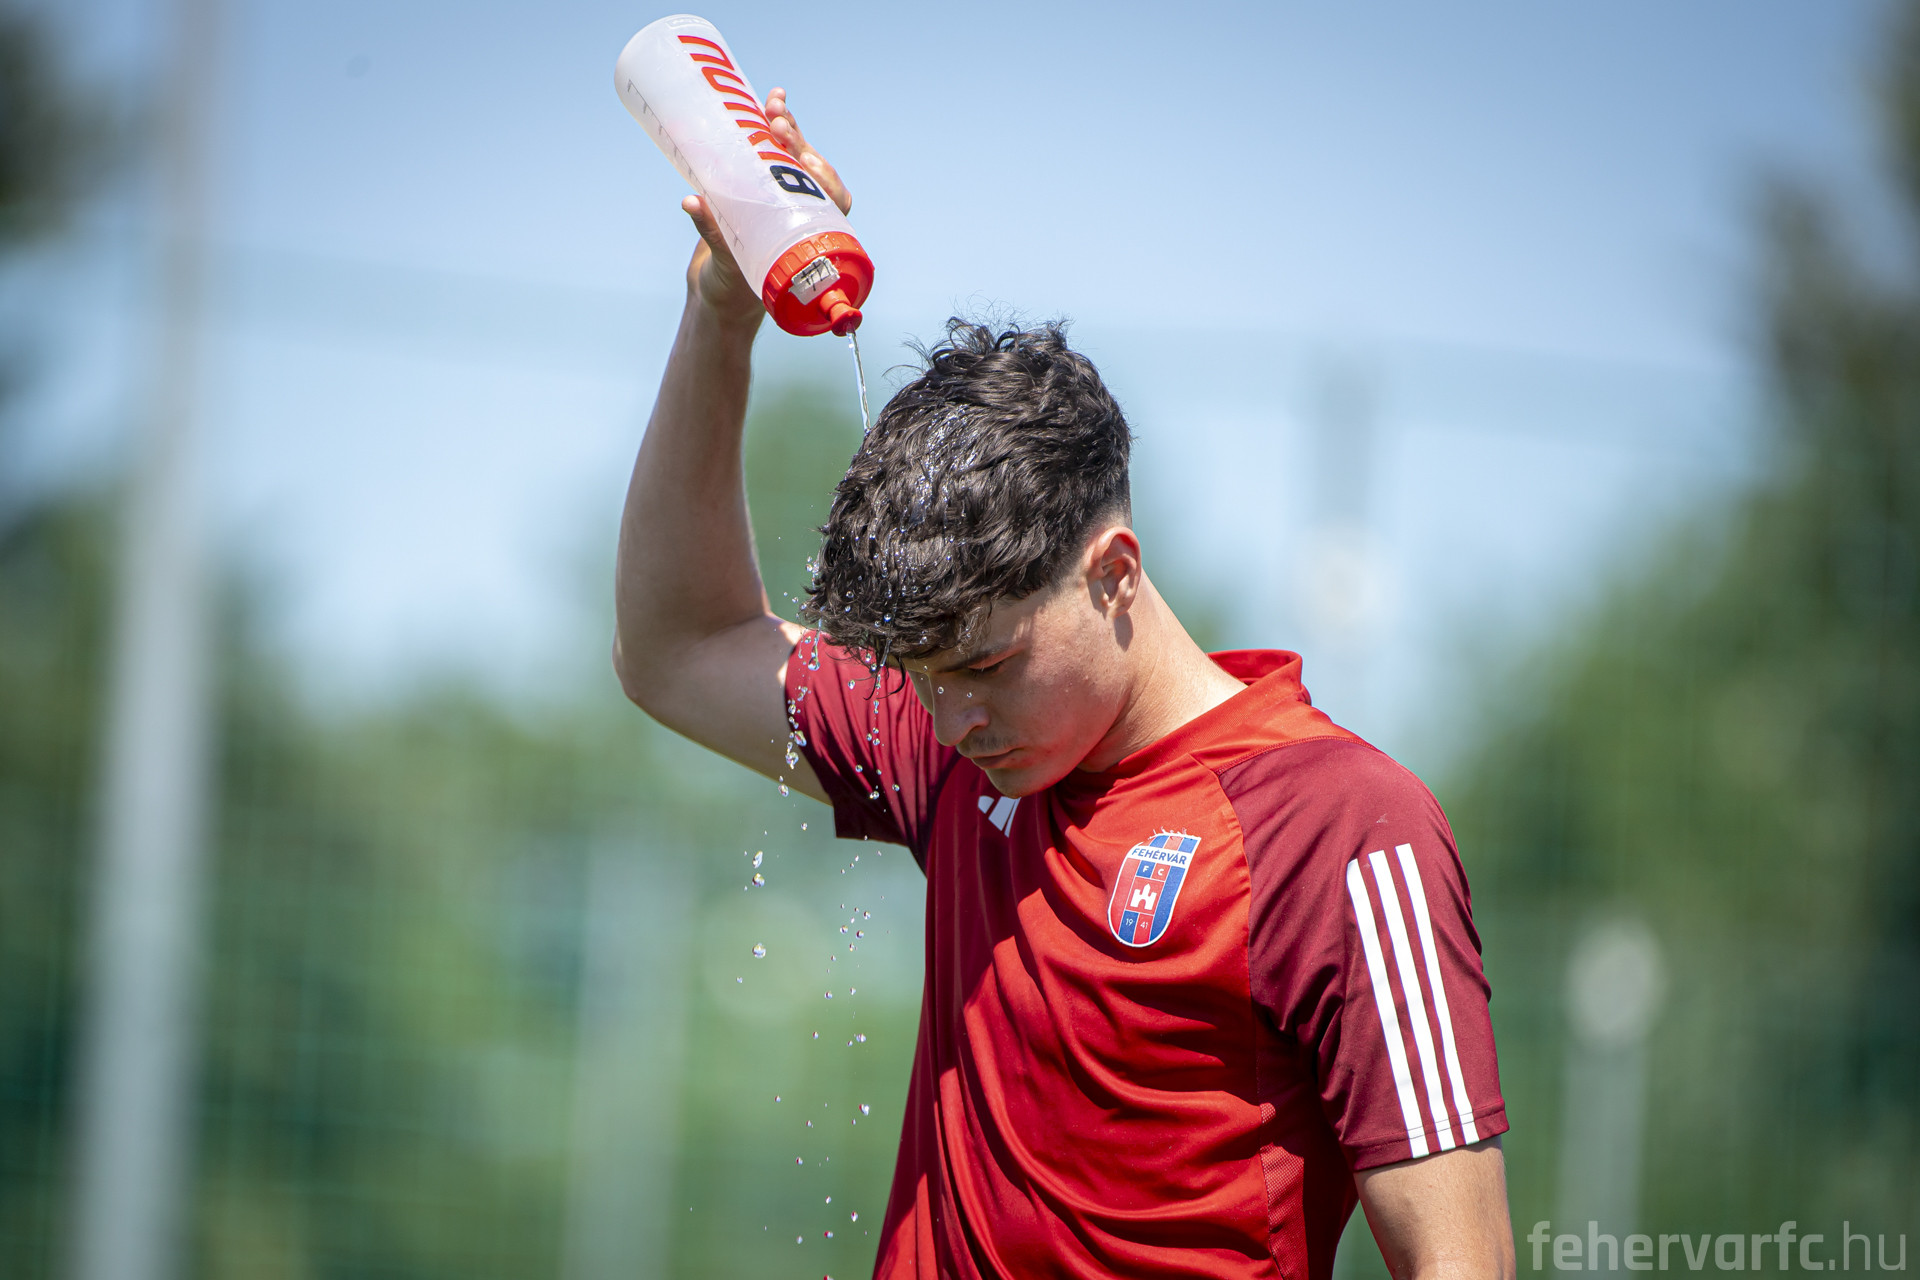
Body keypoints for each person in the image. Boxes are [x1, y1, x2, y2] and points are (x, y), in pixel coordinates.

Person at [612, 87, 1516, 1280]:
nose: (951, 718)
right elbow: (679, 646)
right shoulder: (953, 734)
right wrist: (721, 310)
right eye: (920, 676)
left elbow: (1461, 1262)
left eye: (986, 664)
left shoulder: (1341, 825)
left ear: (1114, 572)